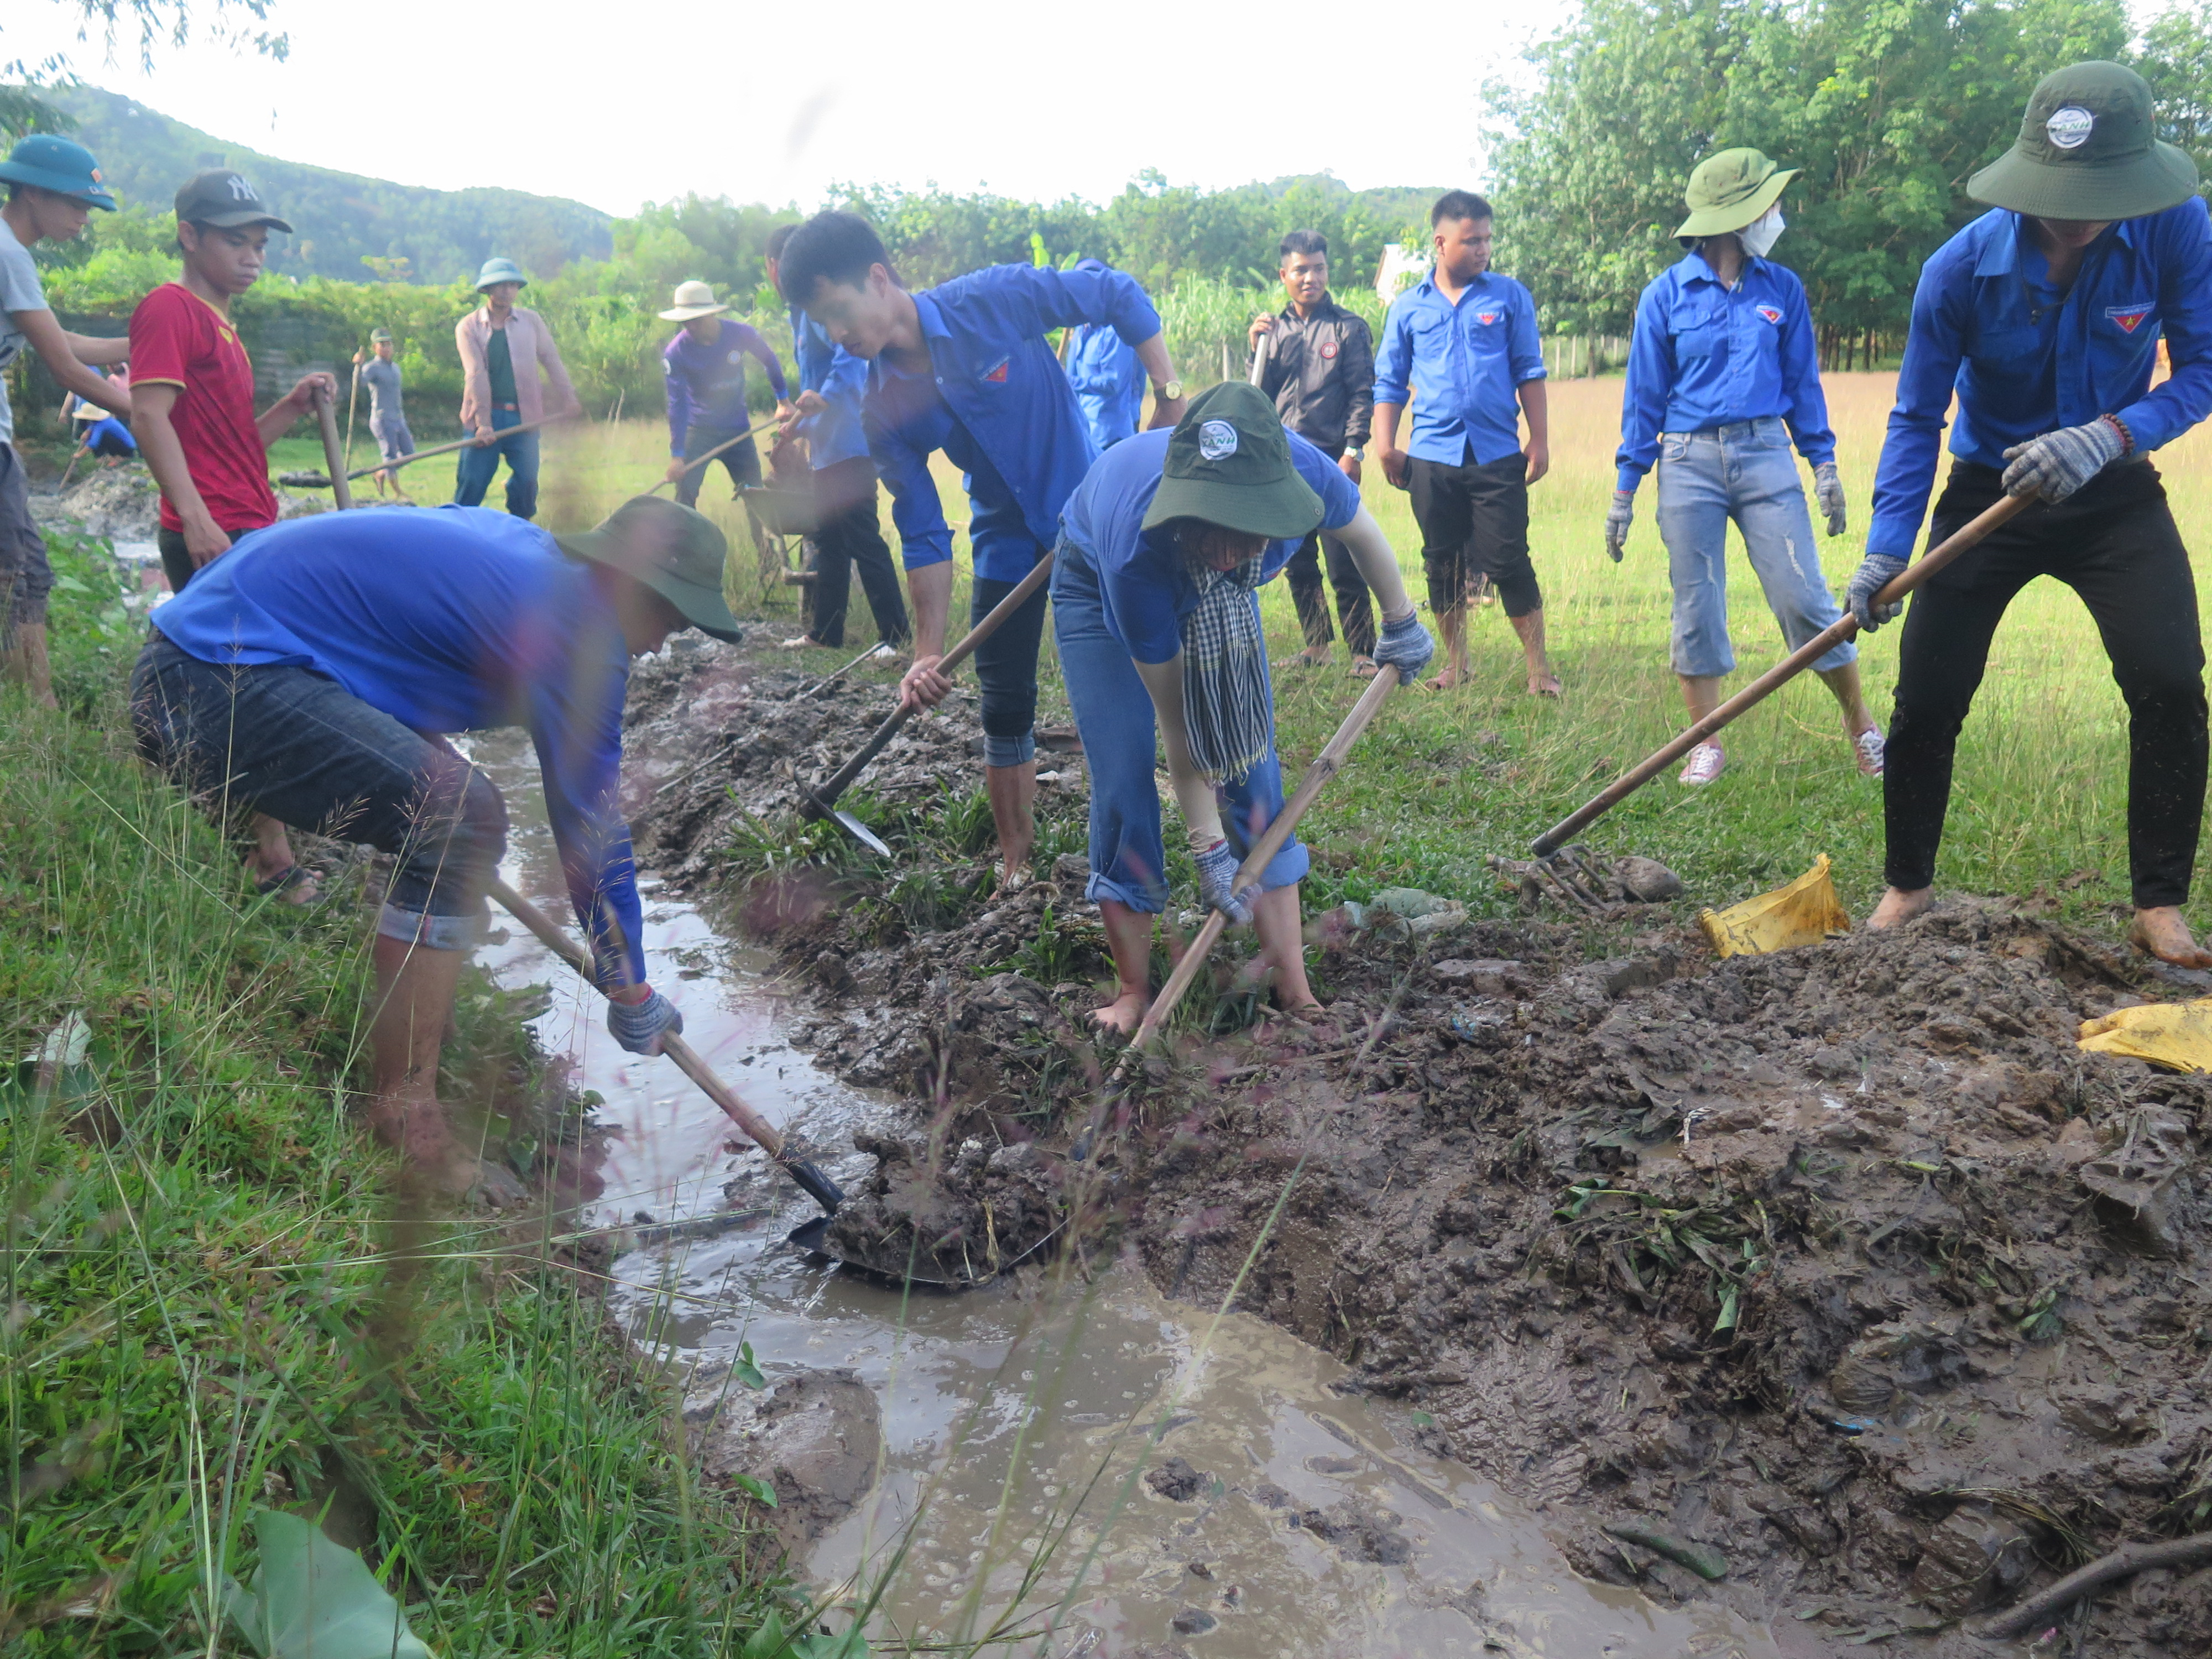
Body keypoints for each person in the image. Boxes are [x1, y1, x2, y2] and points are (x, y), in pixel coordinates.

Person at [129, 495, 734, 1188]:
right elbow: (590, 830)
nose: (662, 642)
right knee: (459, 817)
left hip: (194, 663)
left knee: (442, 798)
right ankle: (401, 1114)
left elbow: (374, 640)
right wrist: (629, 988)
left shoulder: (527, 558)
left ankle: (404, 1012)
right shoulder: (582, 630)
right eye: (667, 617)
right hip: (207, 686)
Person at [1851, 61, 2212, 968]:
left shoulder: (2176, 230)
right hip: (1989, 492)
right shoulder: (1959, 269)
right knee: (1927, 693)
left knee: (2170, 680)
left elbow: (2205, 367)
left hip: (2111, 490)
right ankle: (1908, 885)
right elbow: (1915, 419)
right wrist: (1884, 551)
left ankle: (2159, 904)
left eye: (2102, 193)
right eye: (2062, 194)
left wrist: (2112, 434)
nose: (2081, 213)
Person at [776, 210, 1190, 889]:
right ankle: (1015, 870)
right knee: (1003, 702)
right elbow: (923, 530)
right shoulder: (881, 406)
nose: (837, 336)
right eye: (823, 325)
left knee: (1138, 674)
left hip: (1092, 518)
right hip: (1003, 539)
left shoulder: (992, 300)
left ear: (878, 280)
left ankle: (1169, 823)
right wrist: (928, 652)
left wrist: (1169, 394)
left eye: (840, 312)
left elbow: (1116, 294)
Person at [1055, 382, 1436, 1034]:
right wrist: (1207, 851)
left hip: (1219, 602)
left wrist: (1400, 620)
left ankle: (1293, 984)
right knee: (1122, 775)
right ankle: (1131, 992)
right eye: (1217, 529)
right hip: (1098, 588)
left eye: (1248, 532)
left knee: (1253, 770)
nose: (1233, 549)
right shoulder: (1133, 555)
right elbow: (1181, 731)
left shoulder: (1303, 470)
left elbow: (1361, 533)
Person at [1611, 149, 1881, 786]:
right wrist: (1626, 489)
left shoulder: (1781, 289)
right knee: (1696, 603)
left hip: (1765, 455)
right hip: (1686, 460)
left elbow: (1801, 384)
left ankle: (1862, 727)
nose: (1778, 214)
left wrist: (1823, 465)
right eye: (1771, 203)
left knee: (1803, 596)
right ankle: (1705, 741)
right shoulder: (1665, 295)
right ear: (1737, 216)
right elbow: (1643, 397)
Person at [129, 168, 336, 901]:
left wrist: (291, 404)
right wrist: (194, 518)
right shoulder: (170, 307)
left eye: (258, 244)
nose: (251, 256)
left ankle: (260, 822)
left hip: (245, 523)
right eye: (234, 241)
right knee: (258, 689)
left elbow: (235, 442)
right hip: (214, 532)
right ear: (189, 236)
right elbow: (148, 415)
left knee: (262, 681)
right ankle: (272, 858)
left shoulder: (222, 325)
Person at [1374, 190, 1556, 696]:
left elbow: (1529, 370)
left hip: (1498, 453)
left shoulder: (1508, 296)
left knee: (1508, 559)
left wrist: (1538, 439)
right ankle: (1458, 665)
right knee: (1441, 562)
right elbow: (1389, 382)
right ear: (1441, 242)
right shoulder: (1409, 307)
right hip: (1431, 457)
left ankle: (1539, 669)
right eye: (1471, 240)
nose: (1483, 250)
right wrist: (1385, 445)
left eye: (1487, 240)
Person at [0, 134, 133, 707]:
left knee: (26, 569)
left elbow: (63, 340)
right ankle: (28, 720)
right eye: (76, 204)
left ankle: (39, 707)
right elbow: (67, 368)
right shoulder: (8, 254)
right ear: (32, 191)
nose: (83, 218)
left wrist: (144, 342)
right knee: (14, 576)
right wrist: (146, 414)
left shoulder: (9, 253)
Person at [765, 227, 910, 656]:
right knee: (828, 537)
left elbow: (851, 358)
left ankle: (895, 637)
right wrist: (799, 425)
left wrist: (823, 399)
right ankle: (825, 633)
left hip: (852, 440)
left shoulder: (819, 308)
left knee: (862, 535)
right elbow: (814, 387)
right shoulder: (800, 312)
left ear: (777, 267)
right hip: (826, 445)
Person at [1249, 228, 1378, 674]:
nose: (1311, 278)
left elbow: (1363, 394)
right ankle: (1316, 646)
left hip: (1331, 460)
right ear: (1284, 274)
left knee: (1345, 558)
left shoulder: (1348, 327)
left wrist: (1354, 452)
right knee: (1298, 559)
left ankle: (1364, 652)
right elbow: (1256, 398)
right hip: (1283, 461)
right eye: (1301, 270)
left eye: (1319, 268)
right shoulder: (1271, 331)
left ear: (1328, 270)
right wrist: (1255, 350)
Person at [453, 257, 580, 520]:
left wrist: (569, 397)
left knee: (526, 484)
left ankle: (521, 530)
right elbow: (475, 373)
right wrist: (483, 423)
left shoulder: (531, 322)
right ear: (487, 290)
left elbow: (551, 359)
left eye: (512, 285)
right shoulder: (469, 327)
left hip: (524, 416)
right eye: (500, 285)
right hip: (484, 419)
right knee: (472, 485)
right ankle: (458, 535)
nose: (507, 291)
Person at [1063, 257, 1148, 452]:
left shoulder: (1115, 333)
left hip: (1111, 434)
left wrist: (1071, 381)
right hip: (1085, 431)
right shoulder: (1080, 330)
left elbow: (1112, 383)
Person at [356, 326, 414, 499]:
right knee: (389, 456)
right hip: (382, 419)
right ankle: (397, 492)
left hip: (398, 417)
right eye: (382, 345)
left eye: (389, 344)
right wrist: (358, 367)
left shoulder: (395, 368)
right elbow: (359, 383)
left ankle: (381, 473)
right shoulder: (371, 368)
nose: (386, 348)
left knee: (409, 454)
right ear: (375, 348)